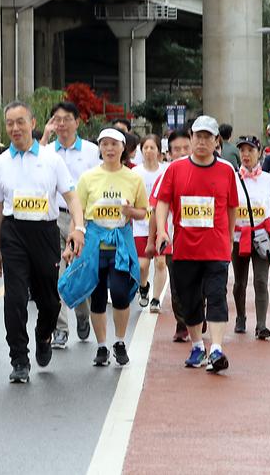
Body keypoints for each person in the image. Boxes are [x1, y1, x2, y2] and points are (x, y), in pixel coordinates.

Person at [0, 101, 85, 383]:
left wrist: (79, 228)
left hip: (44, 232)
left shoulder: (51, 159)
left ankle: (44, 335)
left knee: (50, 301)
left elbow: (71, 197)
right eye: (10, 123)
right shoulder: (0, 163)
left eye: (20, 122)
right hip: (13, 232)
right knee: (15, 298)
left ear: (33, 124)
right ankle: (19, 359)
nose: (15, 128)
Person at [154, 115, 239, 373]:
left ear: (216, 141)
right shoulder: (175, 169)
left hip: (216, 249)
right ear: (191, 138)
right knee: (189, 301)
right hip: (185, 249)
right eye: (198, 136)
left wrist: (229, 237)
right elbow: (162, 201)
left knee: (216, 296)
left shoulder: (226, 170)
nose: (202, 142)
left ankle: (216, 349)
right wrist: (162, 231)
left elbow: (232, 207)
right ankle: (197, 345)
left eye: (207, 137)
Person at [61, 128, 146, 367]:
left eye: (114, 144)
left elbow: (143, 212)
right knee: (97, 297)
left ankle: (119, 342)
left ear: (123, 148)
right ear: (99, 147)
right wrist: (71, 244)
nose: (109, 149)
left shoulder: (133, 178)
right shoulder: (88, 178)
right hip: (94, 245)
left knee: (119, 293)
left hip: (120, 244)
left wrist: (130, 211)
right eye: (105, 144)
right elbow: (78, 214)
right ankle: (101, 346)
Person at [42, 101, 97, 349]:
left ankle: (82, 313)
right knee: (56, 273)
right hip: (54, 218)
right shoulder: (46, 151)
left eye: (66, 119)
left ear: (77, 122)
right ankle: (60, 329)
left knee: (78, 271)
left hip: (82, 218)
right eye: (57, 119)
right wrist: (45, 136)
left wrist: (83, 222)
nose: (61, 124)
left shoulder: (91, 151)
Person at [232, 135, 270, 340]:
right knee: (239, 283)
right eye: (242, 150)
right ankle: (241, 317)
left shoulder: (269, 180)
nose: (246, 154)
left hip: (261, 238)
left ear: (259, 153)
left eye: (250, 150)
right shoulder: (232, 178)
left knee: (260, 281)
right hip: (238, 238)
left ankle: (261, 325)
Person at [149, 129, 191, 341]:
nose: (182, 153)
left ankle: (196, 317)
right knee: (177, 284)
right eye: (176, 149)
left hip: (203, 242)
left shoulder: (207, 171)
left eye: (186, 148)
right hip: (175, 241)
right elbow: (156, 208)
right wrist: (155, 237)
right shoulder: (165, 176)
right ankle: (182, 324)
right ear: (168, 153)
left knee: (201, 284)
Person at [131, 134, 168, 311]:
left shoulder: (165, 171)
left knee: (160, 262)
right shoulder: (135, 173)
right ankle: (143, 286)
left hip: (161, 224)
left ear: (159, 151)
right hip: (140, 224)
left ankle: (156, 299)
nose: (148, 151)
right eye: (145, 147)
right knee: (142, 265)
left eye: (152, 147)